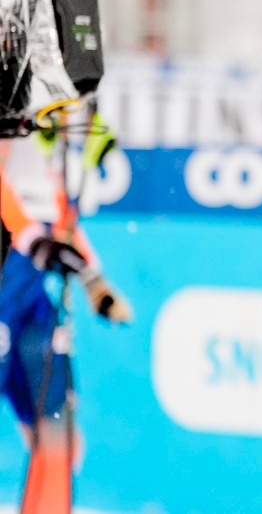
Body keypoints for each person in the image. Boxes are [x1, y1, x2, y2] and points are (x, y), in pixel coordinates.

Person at [0, 116, 132, 512]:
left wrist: (95, 283)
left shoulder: (50, 141)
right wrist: (33, 238)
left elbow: (60, 221)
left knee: (58, 432)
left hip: (32, 308)